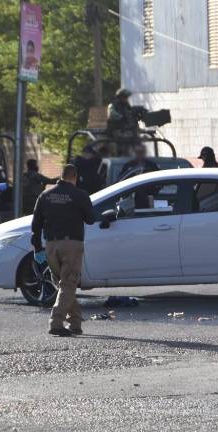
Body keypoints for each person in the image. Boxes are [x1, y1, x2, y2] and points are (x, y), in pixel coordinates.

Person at [31, 164, 95, 336]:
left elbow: (35, 225)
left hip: (51, 245)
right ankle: (56, 322)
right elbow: (90, 219)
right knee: (69, 283)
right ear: (75, 176)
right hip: (71, 245)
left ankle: (75, 323)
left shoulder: (45, 195)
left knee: (63, 285)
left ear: (60, 176)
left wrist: (37, 248)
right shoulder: (79, 195)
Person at [107, 88, 147, 154]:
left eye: (126, 97)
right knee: (125, 142)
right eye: (124, 97)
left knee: (137, 141)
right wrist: (123, 116)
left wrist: (137, 113)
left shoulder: (127, 106)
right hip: (117, 130)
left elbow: (131, 116)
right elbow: (113, 115)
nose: (126, 99)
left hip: (128, 131)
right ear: (119, 97)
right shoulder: (112, 106)